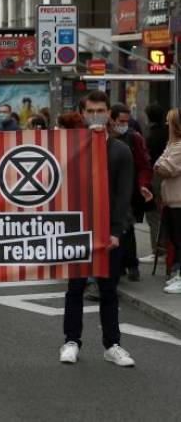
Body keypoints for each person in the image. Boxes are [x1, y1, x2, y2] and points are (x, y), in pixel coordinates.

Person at [60, 91, 136, 367]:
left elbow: (123, 194)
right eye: (90, 110)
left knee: (108, 290)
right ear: (82, 113)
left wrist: (116, 231)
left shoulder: (120, 150)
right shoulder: (71, 149)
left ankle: (112, 344)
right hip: (77, 229)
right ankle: (71, 341)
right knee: (75, 288)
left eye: (101, 110)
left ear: (108, 114)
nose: (96, 115)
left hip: (109, 232)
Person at [110, 103, 153, 282]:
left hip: (129, 191)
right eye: (121, 121)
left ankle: (131, 265)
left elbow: (144, 165)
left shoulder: (134, 138)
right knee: (117, 228)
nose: (124, 124)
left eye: (127, 121)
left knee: (127, 226)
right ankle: (119, 266)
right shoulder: (102, 137)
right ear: (111, 119)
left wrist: (143, 185)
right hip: (109, 191)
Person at [155, 108, 181, 293]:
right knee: (175, 239)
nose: (166, 124)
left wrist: (160, 164)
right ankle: (178, 273)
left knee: (179, 240)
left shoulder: (179, 146)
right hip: (172, 199)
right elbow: (160, 162)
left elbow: (165, 167)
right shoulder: (173, 144)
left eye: (168, 121)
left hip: (179, 200)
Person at [143, 103, 169, 262]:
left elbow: (148, 159)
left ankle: (157, 250)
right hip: (167, 177)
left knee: (153, 214)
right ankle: (165, 248)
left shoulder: (151, 136)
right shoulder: (168, 133)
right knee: (166, 214)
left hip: (155, 176)